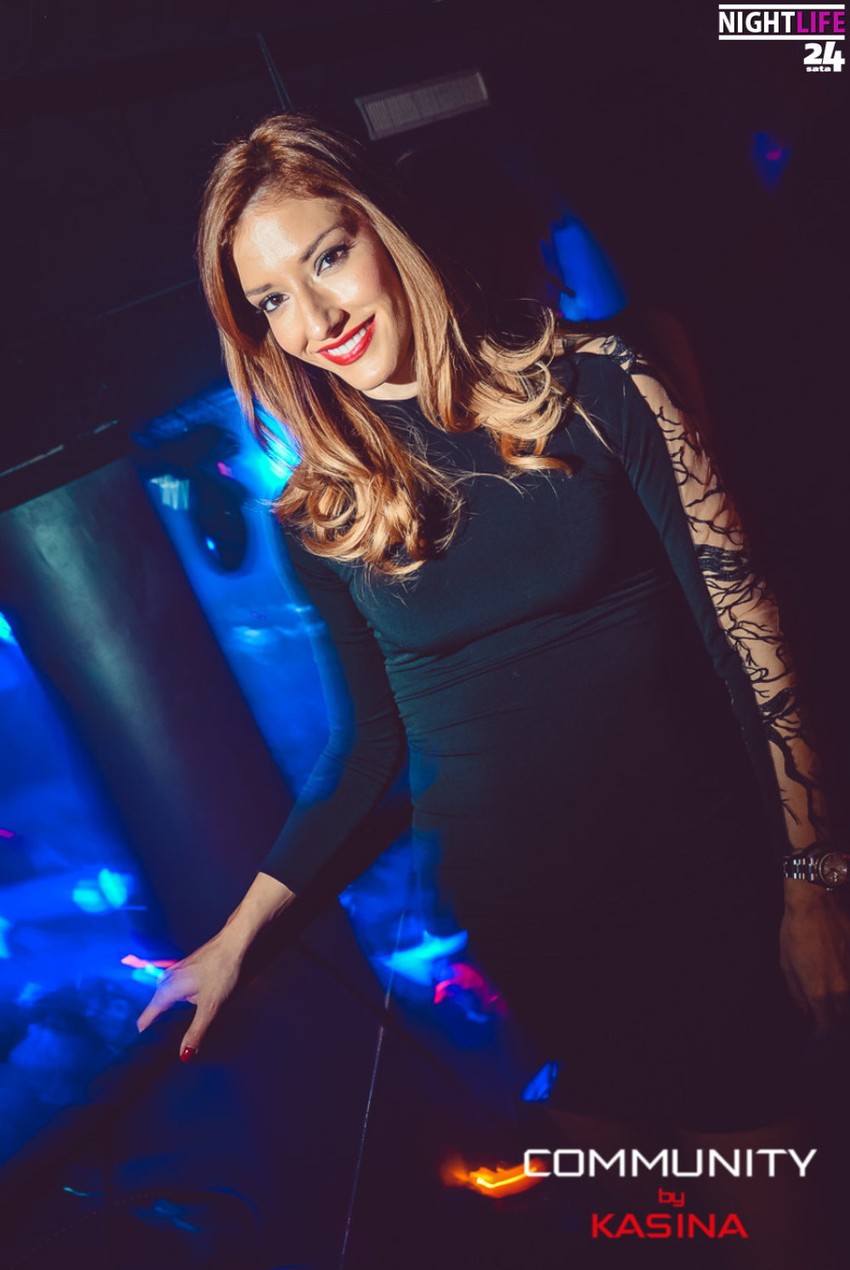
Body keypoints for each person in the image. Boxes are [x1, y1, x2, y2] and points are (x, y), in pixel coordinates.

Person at [137, 112, 850, 1263]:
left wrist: (813, 875)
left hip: (706, 906)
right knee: (643, 1237)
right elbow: (369, 749)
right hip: (540, 943)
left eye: (327, 257)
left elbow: (749, 635)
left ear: (386, 230)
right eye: (270, 300)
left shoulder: (604, 383)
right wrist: (238, 936)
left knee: (773, 1229)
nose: (314, 318)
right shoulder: (325, 510)